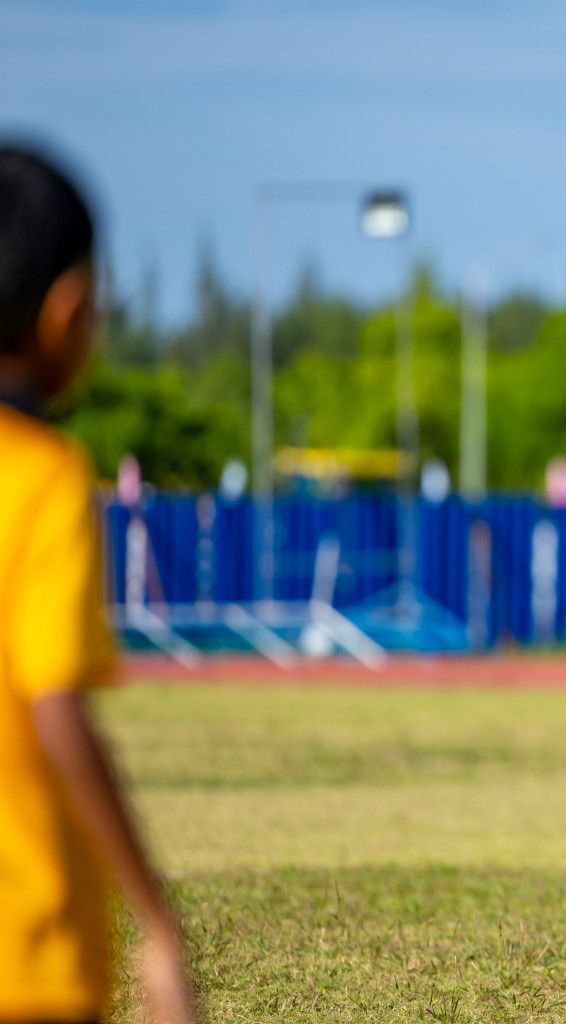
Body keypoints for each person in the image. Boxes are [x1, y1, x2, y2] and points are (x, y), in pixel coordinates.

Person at [0, 145, 194, 1024]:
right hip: (28, 952)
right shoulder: (40, 476)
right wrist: (156, 923)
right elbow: (54, 707)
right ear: (66, 309)